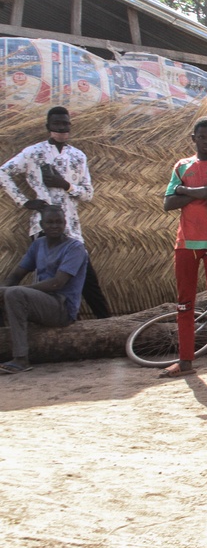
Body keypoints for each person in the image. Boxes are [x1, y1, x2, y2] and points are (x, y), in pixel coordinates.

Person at [0, 106, 110, 318]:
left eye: (66, 124)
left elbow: (88, 194)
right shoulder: (33, 153)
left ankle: (108, 323)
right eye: (57, 124)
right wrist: (24, 202)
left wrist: (66, 185)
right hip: (43, 227)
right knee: (47, 278)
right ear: (48, 126)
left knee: (88, 280)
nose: (62, 128)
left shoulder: (77, 156)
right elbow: (4, 172)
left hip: (71, 228)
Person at [161, 117, 207, 381]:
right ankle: (185, 361)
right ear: (193, 138)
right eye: (201, 137)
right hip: (185, 243)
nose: (205, 141)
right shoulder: (182, 166)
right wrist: (200, 191)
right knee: (184, 302)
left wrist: (184, 190)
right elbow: (168, 203)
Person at [0, 206, 88, 374]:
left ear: (65, 223)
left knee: (14, 293)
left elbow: (57, 283)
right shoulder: (38, 244)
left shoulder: (74, 248)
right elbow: (16, 275)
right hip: (41, 303)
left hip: (62, 308)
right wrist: (3, 288)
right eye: (50, 222)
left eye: (58, 222)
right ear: (42, 224)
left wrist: (12, 290)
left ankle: (21, 359)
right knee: (7, 291)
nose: (54, 226)